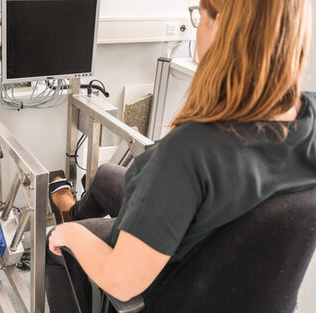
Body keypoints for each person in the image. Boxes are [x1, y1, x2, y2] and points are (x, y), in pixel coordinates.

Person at [46, 0, 315, 312]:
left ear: (222, 28)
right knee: (106, 174)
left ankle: (68, 229)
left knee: (57, 239)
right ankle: (75, 214)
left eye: (200, 15)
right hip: (238, 270)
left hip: (181, 276)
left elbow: (122, 280)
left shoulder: (190, 151)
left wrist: (70, 235)